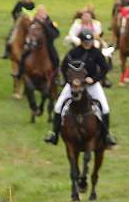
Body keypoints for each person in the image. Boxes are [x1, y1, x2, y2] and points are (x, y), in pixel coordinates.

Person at [45, 19, 116, 148]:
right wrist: (70, 81)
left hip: (91, 85)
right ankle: (54, 134)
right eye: (85, 42)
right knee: (58, 106)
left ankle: (107, 135)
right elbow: (64, 66)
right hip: (74, 85)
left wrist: (93, 79)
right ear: (81, 41)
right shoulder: (73, 53)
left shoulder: (96, 53)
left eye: (89, 42)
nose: (87, 44)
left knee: (105, 108)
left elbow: (105, 68)